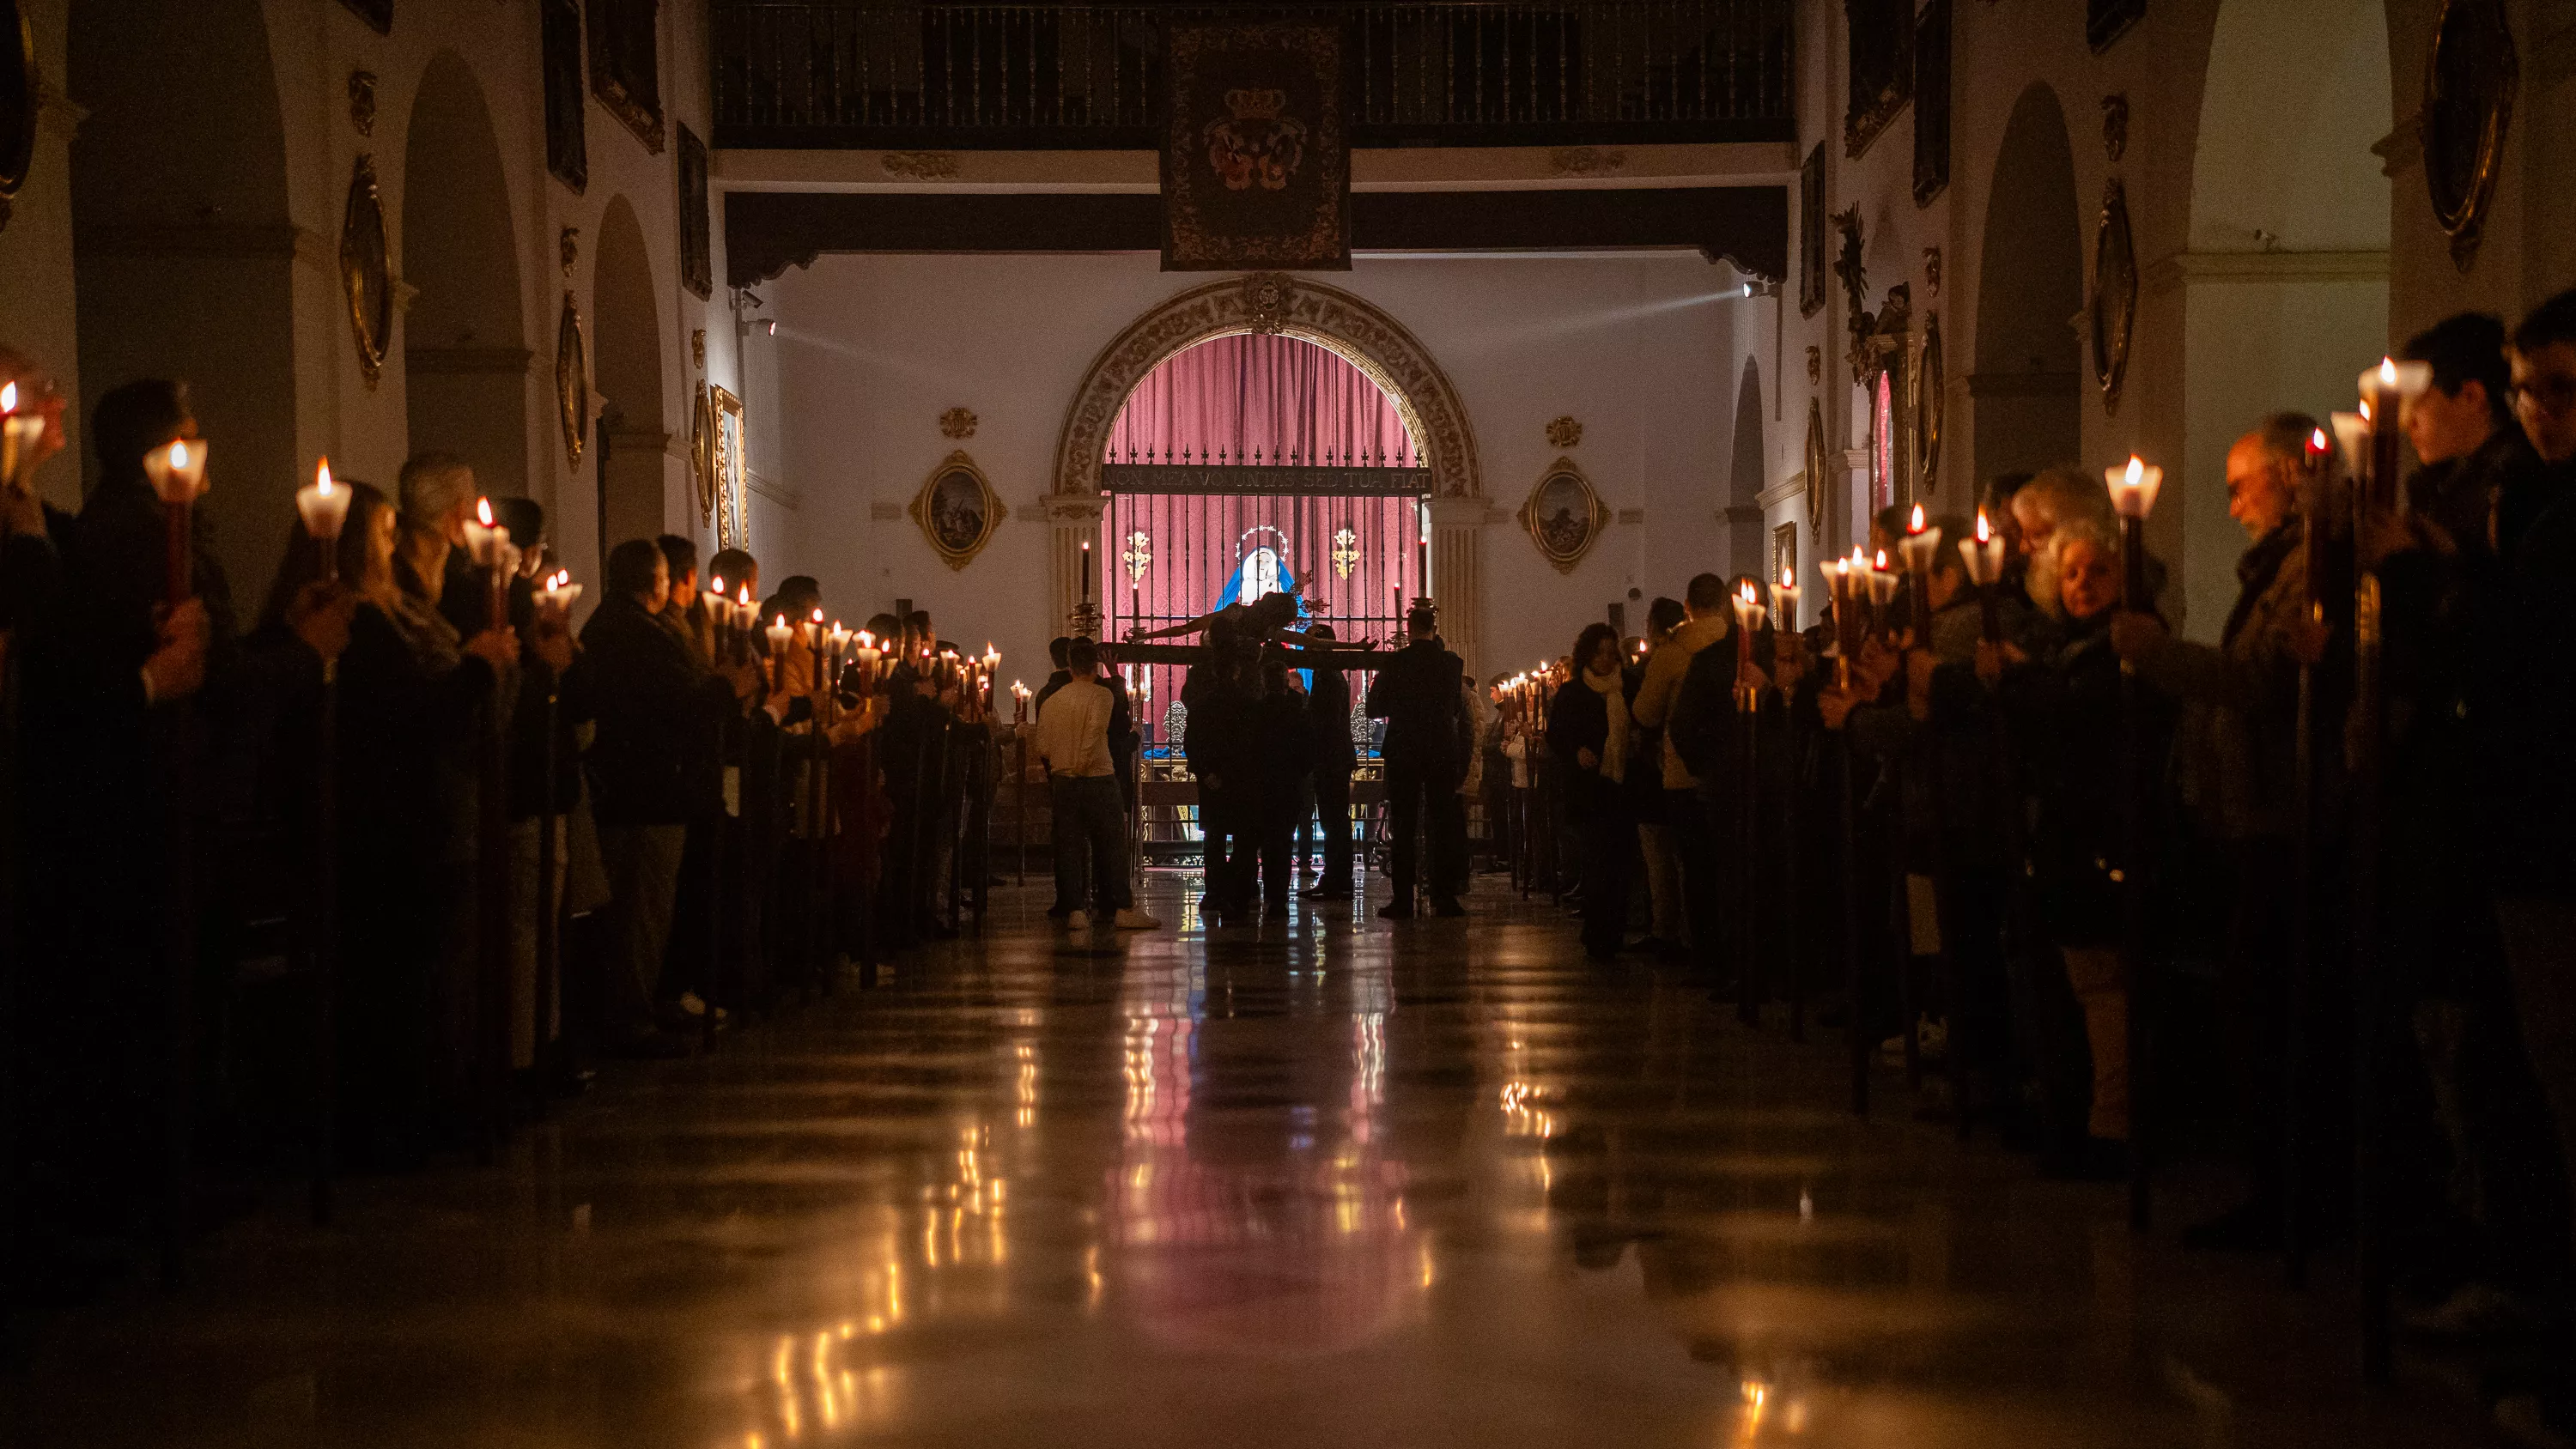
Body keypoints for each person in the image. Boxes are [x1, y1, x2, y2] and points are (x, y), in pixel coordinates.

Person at [2111, 415, 2334, 1238]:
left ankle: (2290, 1196)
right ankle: (2274, 1187)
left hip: (2288, 812)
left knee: (2268, 1009)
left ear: (2285, 474)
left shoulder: (2310, 562)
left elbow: (2263, 682)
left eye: (2242, 484)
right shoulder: (2277, 565)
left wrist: (2157, 654)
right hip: (2256, 811)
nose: (2233, 502)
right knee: (2253, 1005)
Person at [1989, 524, 2176, 1176]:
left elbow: (2080, 718)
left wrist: (2011, 684)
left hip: (2110, 834)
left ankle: (2112, 1126)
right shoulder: (2073, 649)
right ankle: (2077, 1114)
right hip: (2072, 835)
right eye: (2070, 574)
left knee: (2106, 986)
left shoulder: (2128, 648)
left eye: (2098, 570)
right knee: (2079, 982)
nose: (2083, 585)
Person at [580, 539, 752, 1056]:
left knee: (644, 909)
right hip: (647, 795)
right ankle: (630, 1020)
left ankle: (635, 1010)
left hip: (637, 790)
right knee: (641, 912)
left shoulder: (612, 626)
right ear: (656, 582)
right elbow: (681, 706)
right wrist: (728, 686)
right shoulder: (641, 635)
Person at [1631, 579, 1729, 969]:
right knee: (1724, 867)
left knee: (1693, 867)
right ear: (1723, 604)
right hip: (1730, 771)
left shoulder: (1674, 650)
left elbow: (1646, 711)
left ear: (1688, 605)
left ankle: (1699, 951)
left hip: (1684, 772)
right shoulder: (1736, 642)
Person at [1033, 638, 1157, 930]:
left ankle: (1076, 910)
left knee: (1069, 847)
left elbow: (1043, 746)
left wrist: (1066, 765)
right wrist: (1081, 763)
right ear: (1094, 665)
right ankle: (1123, 908)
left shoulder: (1052, 699)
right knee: (1112, 845)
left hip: (1063, 780)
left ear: (1069, 665)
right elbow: (1094, 733)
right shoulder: (1102, 696)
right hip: (1099, 778)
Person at [1366, 605, 1468, 919]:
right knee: (1442, 823)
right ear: (1434, 629)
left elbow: (1373, 707)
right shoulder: (1451, 663)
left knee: (1404, 826)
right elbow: (1454, 708)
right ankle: (1443, 896)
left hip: (1404, 750)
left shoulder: (1395, 662)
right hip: (1440, 749)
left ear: (1409, 628)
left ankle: (1403, 901)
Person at [1548, 622, 1631, 961]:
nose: (1607, 659)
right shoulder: (1573, 693)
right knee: (1596, 863)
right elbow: (1556, 736)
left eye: (1612, 653)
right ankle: (1597, 932)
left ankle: (1614, 930)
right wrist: (1576, 751)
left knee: (1619, 865)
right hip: (1587, 790)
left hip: (1621, 787)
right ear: (1588, 654)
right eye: (1601, 652)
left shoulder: (1625, 689)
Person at [1245, 652, 1316, 918]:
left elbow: (1249, 749)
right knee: (1284, 842)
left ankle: (1257, 888)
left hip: (1261, 784)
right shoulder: (1298, 712)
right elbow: (1308, 752)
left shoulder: (1255, 711)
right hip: (1289, 784)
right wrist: (1300, 774)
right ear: (1286, 683)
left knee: (1261, 839)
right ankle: (1278, 899)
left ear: (1264, 682)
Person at [1301, 624, 1358, 900]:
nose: (1305, 649)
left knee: (1333, 820)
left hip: (1330, 758)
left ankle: (1337, 877)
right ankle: (1338, 876)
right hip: (1334, 757)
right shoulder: (1330, 676)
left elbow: (1325, 722)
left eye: (1310, 643)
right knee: (1335, 819)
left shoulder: (1328, 678)